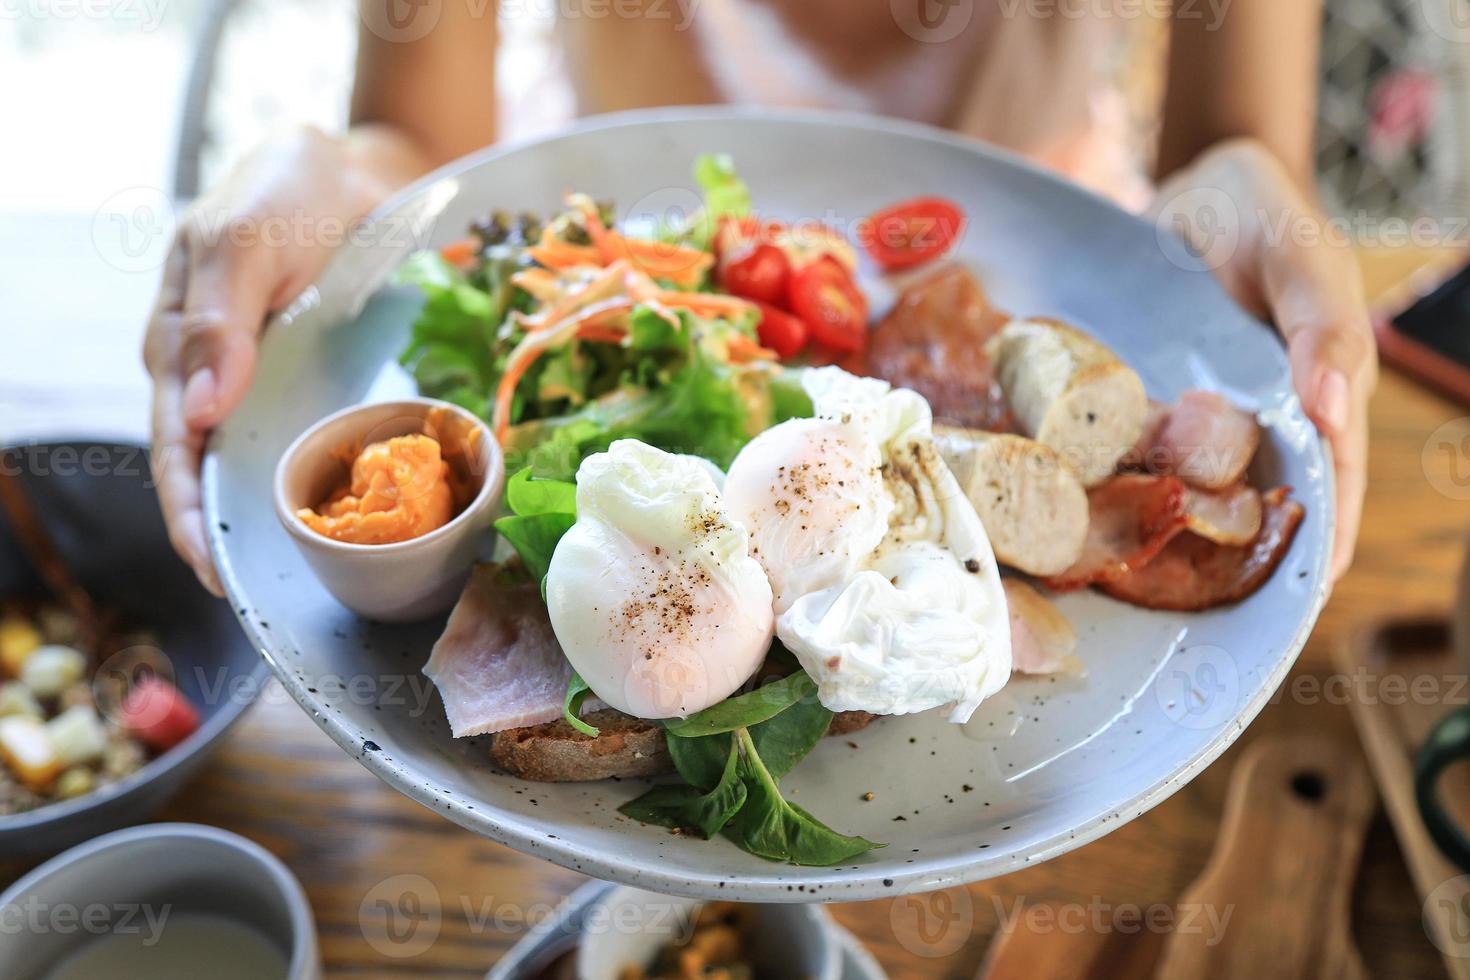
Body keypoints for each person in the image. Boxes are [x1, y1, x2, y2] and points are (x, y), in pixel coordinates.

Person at [144, 0, 1375, 595]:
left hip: (1053, 277)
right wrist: (327, 175)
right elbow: (414, 142)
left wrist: (1243, 194)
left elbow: (1231, 146)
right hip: (627, 247)